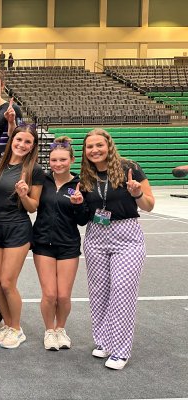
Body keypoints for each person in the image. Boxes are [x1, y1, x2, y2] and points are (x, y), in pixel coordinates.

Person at [76, 128, 155, 370]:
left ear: (109, 145)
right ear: (85, 151)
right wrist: (78, 205)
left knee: (122, 291)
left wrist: (137, 194)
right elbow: (83, 217)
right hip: (96, 235)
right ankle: (104, 341)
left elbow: (149, 205)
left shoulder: (130, 168)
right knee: (99, 292)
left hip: (127, 235)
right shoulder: (85, 176)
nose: (95, 150)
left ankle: (120, 351)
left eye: (99, 145)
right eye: (90, 146)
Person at [0, 125, 44, 349]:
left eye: (28, 142)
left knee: (7, 282)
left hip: (17, 228)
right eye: (19, 139)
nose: (22, 145)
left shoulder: (34, 170)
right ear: (12, 139)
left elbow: (33, 207)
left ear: (33, 146)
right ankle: (8, 324)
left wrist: (23, 195)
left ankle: (17, 328)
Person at [32, 136, 90, 351]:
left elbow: (83, 220)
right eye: (54, 160)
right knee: (49, 294)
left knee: (64, 295)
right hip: (42, 244)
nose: (58, 164)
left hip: (68, 244)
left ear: (72, 160)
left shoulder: (81, 184)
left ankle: (60, 329)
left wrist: (78, 205)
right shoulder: (43, 181)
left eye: (63, 160)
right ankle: (49, 331)